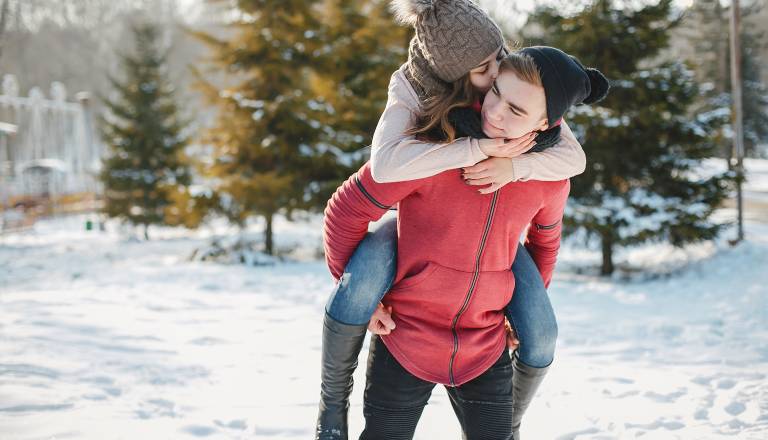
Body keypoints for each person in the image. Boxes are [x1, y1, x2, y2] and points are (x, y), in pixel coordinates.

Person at [315, 1, 587, 439]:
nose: (495, 111)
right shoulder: (426, 151)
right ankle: (331, 408)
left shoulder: (547, 174)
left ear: (545, 123)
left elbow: (546, 242)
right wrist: (368, 302)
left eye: (516, 111)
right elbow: (346, 209)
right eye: (494, 90)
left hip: (484, 348)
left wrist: (520, 311)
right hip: (406, 339)